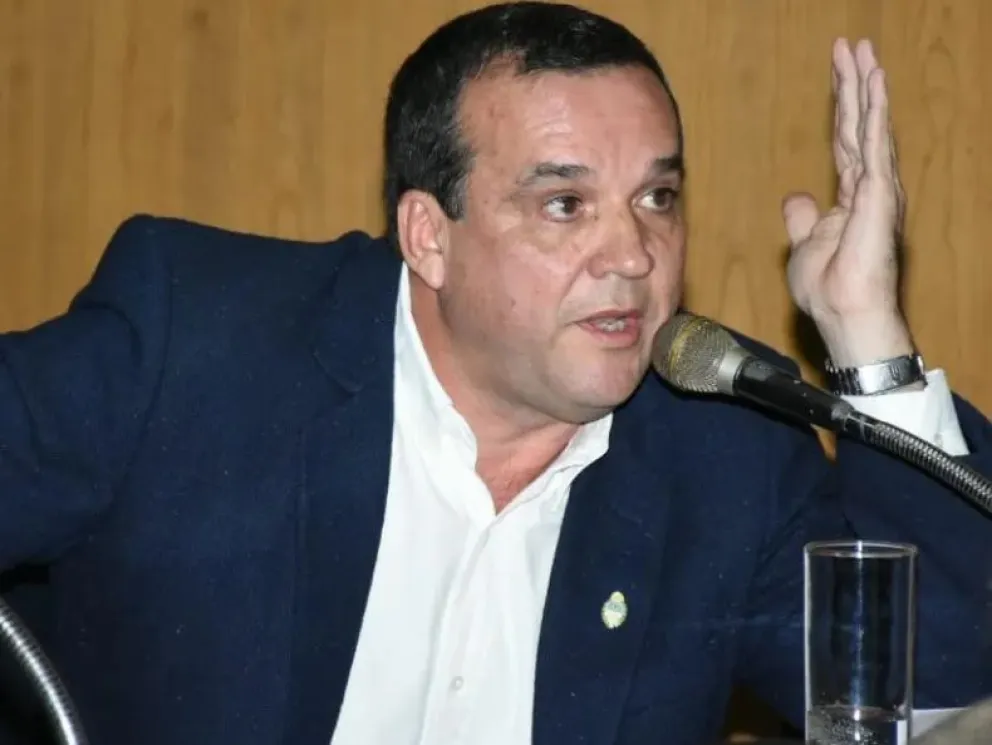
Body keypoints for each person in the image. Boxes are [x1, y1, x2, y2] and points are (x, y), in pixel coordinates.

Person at [0, 2, 991, 744]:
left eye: (656, 197)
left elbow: (932, 701)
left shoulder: (719, 447)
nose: (633, 254)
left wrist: (866, 328)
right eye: (565, 205)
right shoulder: (195, 344)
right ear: (429, 235)